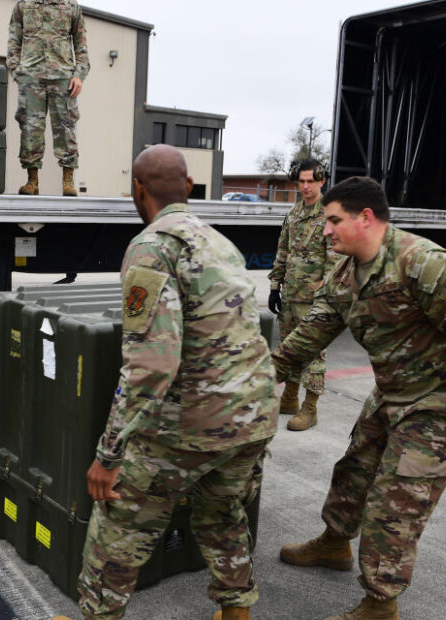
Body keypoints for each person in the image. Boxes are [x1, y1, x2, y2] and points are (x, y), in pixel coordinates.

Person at [272, 176, 446, 620]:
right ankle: (335, 543)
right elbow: (306, 338)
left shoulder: (422, 263)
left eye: (334, 221)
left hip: (439, 402)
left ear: (366, 217)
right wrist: (260, 382)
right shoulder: (343, 275)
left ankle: (381, 603)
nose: (325, 231)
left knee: (394, 505)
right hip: (391, 392)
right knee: (353, 471)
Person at [73, 144, 279, 620]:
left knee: (120, 523)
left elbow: (151, 365)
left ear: (137, 189)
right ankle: (236, 612)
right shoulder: (220, 242)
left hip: (193, 423)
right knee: (222, 512)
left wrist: (108, 455)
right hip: (254, 418)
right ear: (189, 187)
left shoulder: (152, 247)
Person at [267, 158, 337, 431]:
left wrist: (324, 292)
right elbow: (283, 251)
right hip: (291, 296)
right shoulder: (293, 213)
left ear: (322, 181)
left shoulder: (329, 215)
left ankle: (310, 408)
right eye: (302, 181)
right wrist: (275, 287)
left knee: (314, 354)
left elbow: (335, 259)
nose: (305, 186)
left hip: (314, 300)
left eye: (311, 181)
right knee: (289, 349)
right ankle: (289, 398)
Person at [7, 0, 89, 197]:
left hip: (63, 78)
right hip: (31, 76)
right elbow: (13, 40)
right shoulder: (23, 6)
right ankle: (32, 181)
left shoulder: (71, 7)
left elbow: (81, 44)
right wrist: (17, 71)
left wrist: (79, 74)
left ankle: (68, 180)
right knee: (30, 128)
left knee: (66, 127)